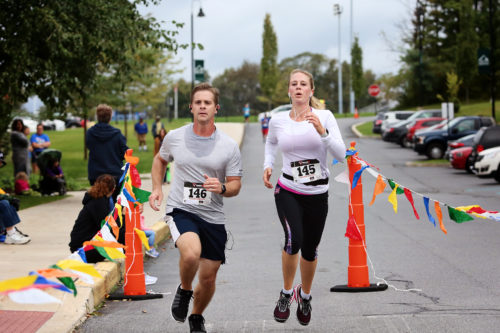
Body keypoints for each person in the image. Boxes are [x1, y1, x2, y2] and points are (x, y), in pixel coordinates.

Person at [149, 82, 243, 333]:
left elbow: (235, 185)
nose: (203, 106)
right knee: (191, 254)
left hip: (213, 215)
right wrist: (157, 188)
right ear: (191, 107)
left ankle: (197, 316)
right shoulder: (175, 137)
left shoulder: (228, 146)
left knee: (209, 276)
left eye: (207, 103)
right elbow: (160, 160)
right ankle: (185, 289)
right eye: (198, 102)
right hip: (182, 209)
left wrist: (221, 187)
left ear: (216, 108)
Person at [262, 69, 346, 326]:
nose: (298, 88)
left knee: (310, 249)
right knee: (293, 240)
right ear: (288, 90)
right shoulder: (277, 120)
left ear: (311, 90)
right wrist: (267, 164)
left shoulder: (325, 116)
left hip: (318, 193)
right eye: (293, 84)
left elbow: (342, 155)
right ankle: (286, 293)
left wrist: (322, 131)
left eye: (303, 84)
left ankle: (305, 295)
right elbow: (272, 143)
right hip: (288, 189)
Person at [68, 174, 116, 263]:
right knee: (118, 246)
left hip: (79, 244)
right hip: (81, 249)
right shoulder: (99, 203)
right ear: (113, 189)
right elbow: (106, 228)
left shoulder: (95, 199)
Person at [86, 104, 128, 200]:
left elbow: (89, 146)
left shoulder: (90, 133)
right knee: (116, 207)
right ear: (110, 117)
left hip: (96, 175)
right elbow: (124, 153)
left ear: (98, 116)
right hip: (115, 174)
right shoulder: (117, 134)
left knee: (97, 204)